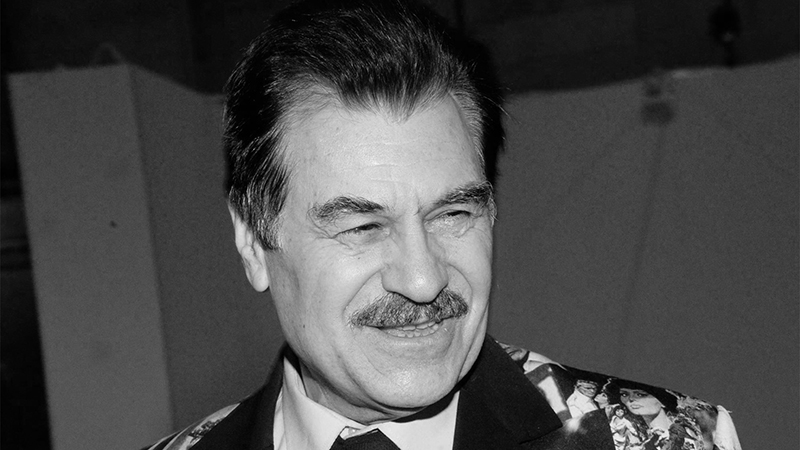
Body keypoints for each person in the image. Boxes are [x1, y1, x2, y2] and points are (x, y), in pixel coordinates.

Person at [144, 1, 740, 449]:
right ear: (254, 241)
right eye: (362, 227)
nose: (424, 279)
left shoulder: (672, 440)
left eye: (453, 214)